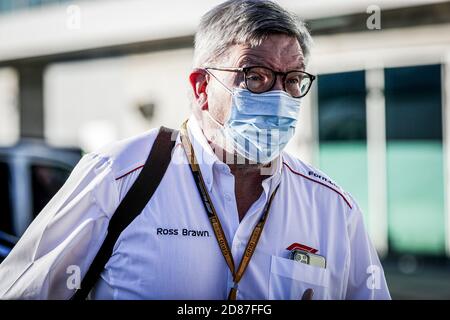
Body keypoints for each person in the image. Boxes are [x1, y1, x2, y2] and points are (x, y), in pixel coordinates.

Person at [0, 0, 390, 300]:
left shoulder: (333, 210)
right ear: (202, 87)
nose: (278, 96)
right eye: (254, 76)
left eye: (292, 80)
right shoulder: (117, 176)